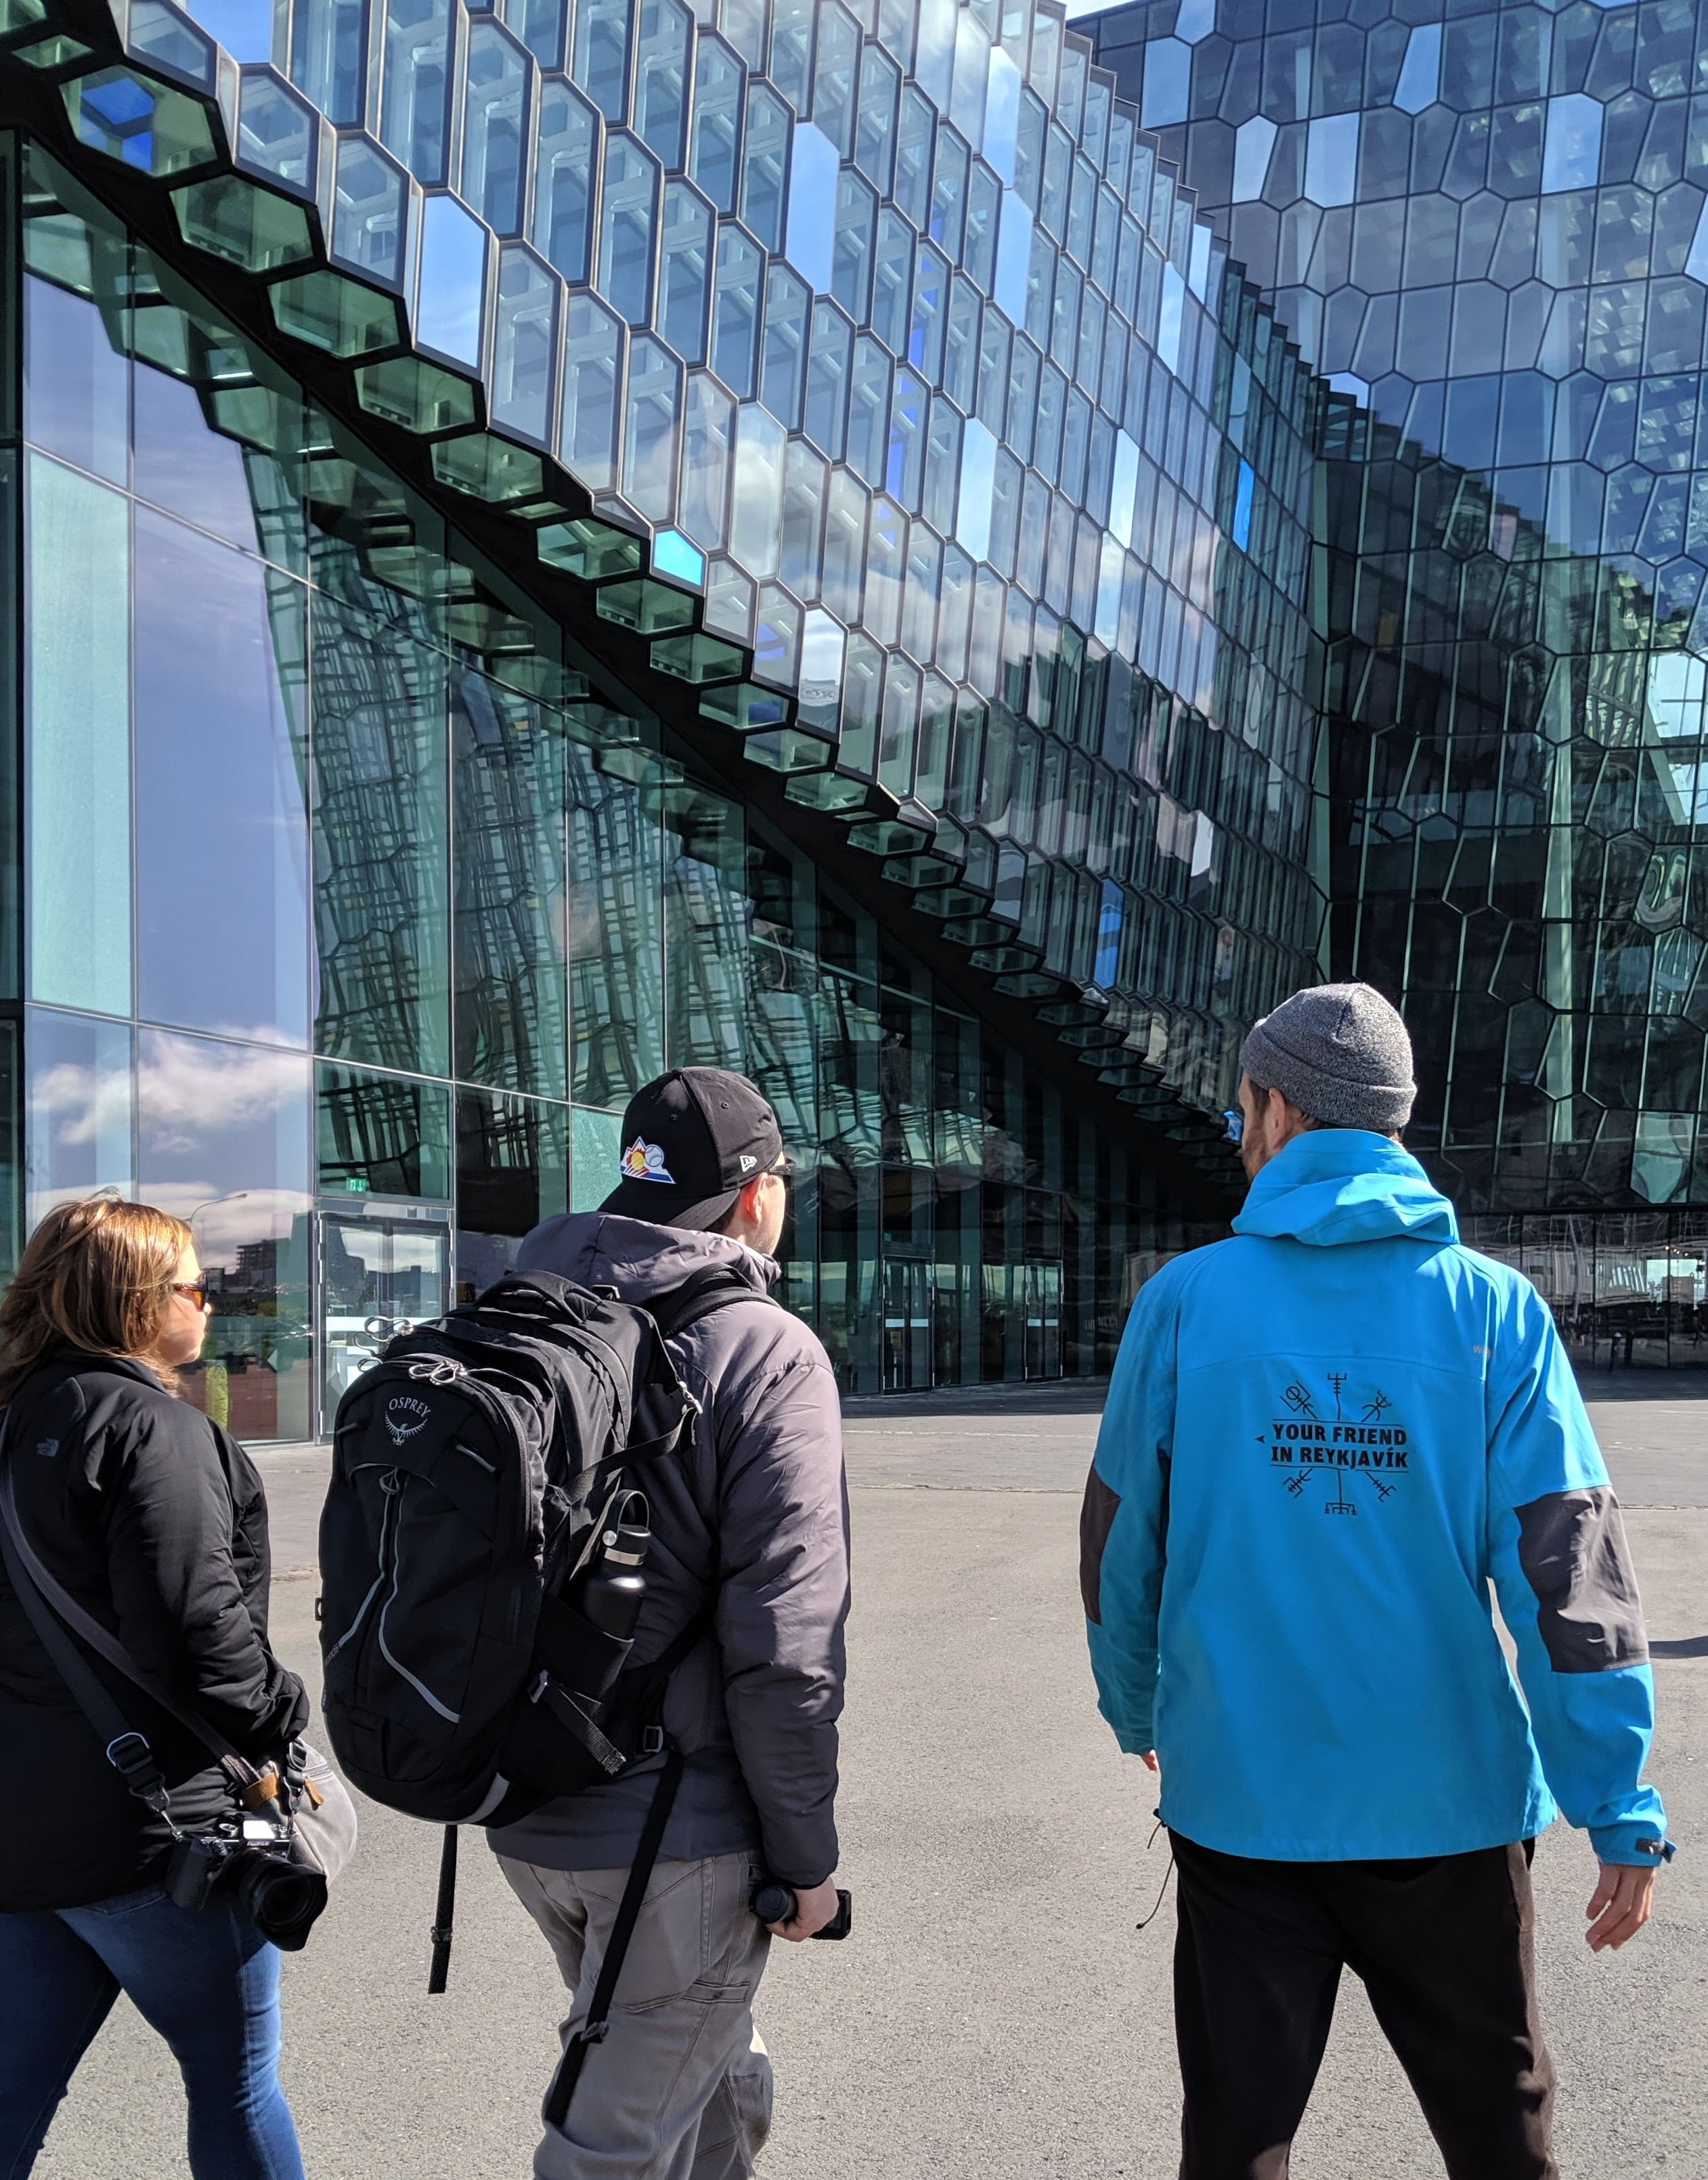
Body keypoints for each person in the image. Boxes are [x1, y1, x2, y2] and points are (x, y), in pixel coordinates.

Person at [1080, 984, 1671, 2180]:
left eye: (1245, 1107)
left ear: (1282, 1109)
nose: (1240, 1132)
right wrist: (1616, 1799)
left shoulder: (1186, 1302)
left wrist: (1137, 1708)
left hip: (1241, 1800)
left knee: (1237, 2140)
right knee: (1502, 2139)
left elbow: (1118, 1545)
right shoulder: (1493, 1310)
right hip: (1448, 1809)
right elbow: (1571, 1577)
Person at [495, 1066, 850, 2180]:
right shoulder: (763, 1349)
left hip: (524, 1803)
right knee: (612, 2150)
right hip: (671, 1834)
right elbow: (788, 1648)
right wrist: (806, 1859)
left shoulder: (525, 1309)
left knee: (705, 2089)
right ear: (756, 1195)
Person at [0, 1196, 311, 2179]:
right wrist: (286, 1711)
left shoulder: (14, 1414)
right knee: (235, 2083)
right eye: (194, 1285)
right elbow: (196, 1636)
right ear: (135, 1301)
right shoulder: (151, 1428)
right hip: (152, 1834)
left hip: (23, 1829)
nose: (209, 1303)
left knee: (10, 2095)